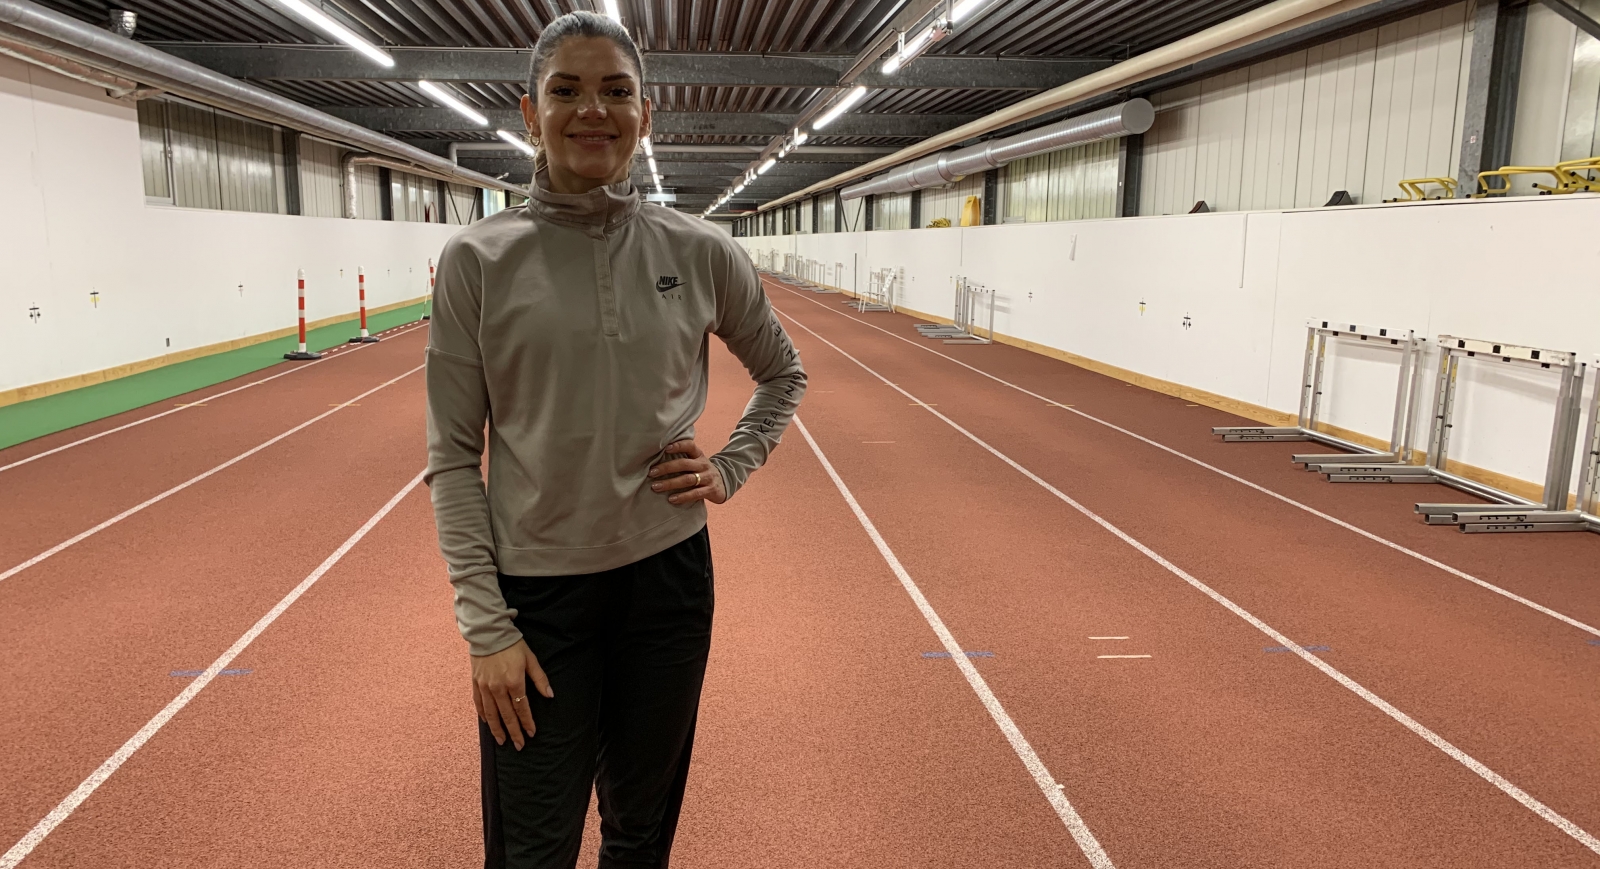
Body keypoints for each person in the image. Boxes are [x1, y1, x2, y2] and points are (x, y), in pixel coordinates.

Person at [423, 11, 806, 868]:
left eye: (615, 91)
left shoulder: (700, 249)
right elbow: (451, 458)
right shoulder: (476, 262)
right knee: (532, 849)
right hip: (536, 599)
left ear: (645, 115)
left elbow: (784, 374)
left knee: (641, 835)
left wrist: (731, 465)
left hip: (667, 591)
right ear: (530, 113)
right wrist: (486, 628)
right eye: (566, 90)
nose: (591, 109)